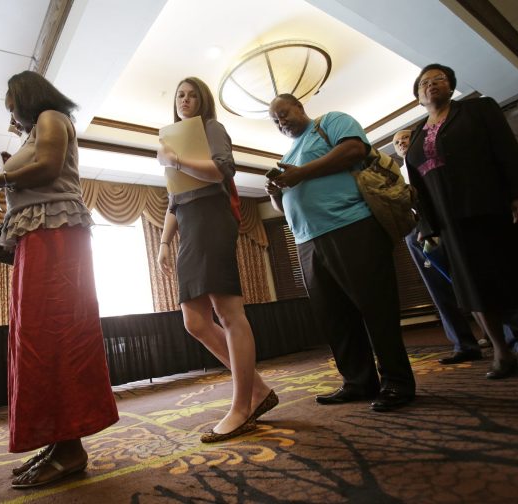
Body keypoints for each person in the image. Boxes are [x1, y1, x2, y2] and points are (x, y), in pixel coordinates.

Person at [0, 70, 119, 488]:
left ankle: (70, 447)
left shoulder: (52, 117)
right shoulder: (31, 134)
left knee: (55, 335)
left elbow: (49, 169)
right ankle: (58, 438)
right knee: (35, 337)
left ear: (26, 96)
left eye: (10, 102)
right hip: (42, 236)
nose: (9, 111)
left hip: (57, 236)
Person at [265, 94, 415, 412]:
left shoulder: (331, 122)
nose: (281, 121)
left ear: (300, 107)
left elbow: (353, 151)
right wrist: (279, 194)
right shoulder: (287, 154)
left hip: (352, 227)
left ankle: (397, 381)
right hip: (307, 241)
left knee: (376, 307)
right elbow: (288, 204)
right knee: (335, 317)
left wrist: (300, 174)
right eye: (275, 120)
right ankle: (358, 382)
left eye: (283, 113)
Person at [155, 77, 277, 443]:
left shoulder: (211, 128)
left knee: (227, 312)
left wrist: (176, 160)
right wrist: (164, 242)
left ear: (202, 101)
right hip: (188, 226)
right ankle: (258, 390)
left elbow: (224, 169)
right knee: (194, 321)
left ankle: (243, 406)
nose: (185, 99)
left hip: (213, 217)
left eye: (192, 95)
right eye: (180, 94)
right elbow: (175, 199)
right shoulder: (170, 140)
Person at [404, 63, 518, 380]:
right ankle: (502, 355)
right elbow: (419, 187)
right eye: (425, 82)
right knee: (474, 291)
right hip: (451, 224)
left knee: (517, 280)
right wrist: (427, 227)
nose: (433, 84)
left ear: (451, 87)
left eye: (440, 79)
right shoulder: (417, 137)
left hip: (491, 209)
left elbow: (506, 150)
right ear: (418, 96)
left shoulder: (478, 110)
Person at [394, 130, 518, 365]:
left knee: (479, 280)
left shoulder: (430, 155)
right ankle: (463, 344)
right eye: (397, 142)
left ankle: (517, 340)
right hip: (417, 233)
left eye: (406, 137)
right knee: (441, 292)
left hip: (449, 226)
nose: (402, 143)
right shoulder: (397, 172)